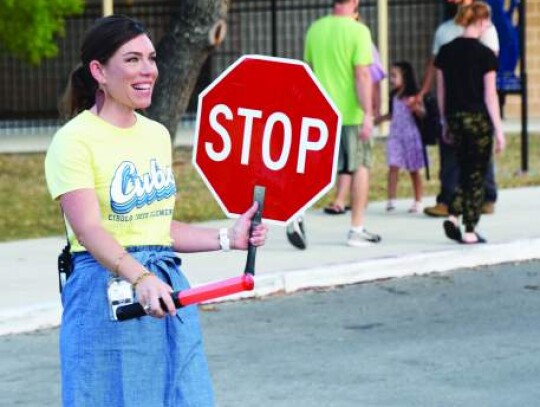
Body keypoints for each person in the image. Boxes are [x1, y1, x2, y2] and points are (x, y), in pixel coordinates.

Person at [44, 15, 268, 406]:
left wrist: (226, 238)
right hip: (108, 292)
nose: (147, 69)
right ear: (99, 71)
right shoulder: (74, 140)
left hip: (165, 286)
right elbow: (90, 229)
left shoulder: (155, 135)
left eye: (150, 57)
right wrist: (140, 277)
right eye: (132, 59)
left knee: (183, 395)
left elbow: (156, 227)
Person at [301, 0, 380, 248]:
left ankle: (296, 214)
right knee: (360, 167)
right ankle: (356, 229)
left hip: (321, 113)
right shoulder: (359, 31)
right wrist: (368, 113)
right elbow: (362, 74)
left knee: (312, 169)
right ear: (355, 2)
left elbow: (309, 72)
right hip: (350, 114)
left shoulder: (315, 29)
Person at [418, 0, 500, 218]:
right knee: (456, 153)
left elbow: (488, 72)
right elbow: (437, 70)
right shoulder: (445, 32)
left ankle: (485, 196)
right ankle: (450, 201)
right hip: (465, 106)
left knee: (479, 155)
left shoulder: (486, 33)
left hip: (467, 106)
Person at [435, 1, 505, 244]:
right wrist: (498, 129)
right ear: (481, 21)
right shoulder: (485, 55)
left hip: (454, 117)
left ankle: (454, 215)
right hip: (478, 119)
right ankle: (469, 229)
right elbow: (490, 95)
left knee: (462, 168)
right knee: (475, 174)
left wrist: (444, 120)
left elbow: (441, 90)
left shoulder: (446, 51)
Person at [377, 61, 425, 213]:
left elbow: (423, 113)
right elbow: (393, 114)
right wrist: (379, 119)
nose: (391, 79)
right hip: (396, 135)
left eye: (394, 76)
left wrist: (416, 107)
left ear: (405, 76)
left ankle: (418, 201)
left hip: (410, 135)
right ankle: (391, 200)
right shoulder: (394, 95)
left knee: (413, 169)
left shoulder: (414, 95)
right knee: (393, 166)